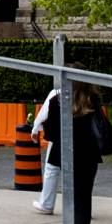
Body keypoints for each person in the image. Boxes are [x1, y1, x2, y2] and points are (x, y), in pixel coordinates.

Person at [38, 84, 108, 224]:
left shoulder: (57, 101)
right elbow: (99, 124)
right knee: (84, 195)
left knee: (72, 194)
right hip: (89, 153)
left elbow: (51, 133)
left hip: (67, 153)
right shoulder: (93, 100)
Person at [31, 82, 63, 214]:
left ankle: (46, 204)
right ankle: (82, 208)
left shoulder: (57, 94)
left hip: (59, 138)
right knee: (80, 173)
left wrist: (35, 129)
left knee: (52, 169)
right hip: (84, 140)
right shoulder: (90, 96)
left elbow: (44, 113)